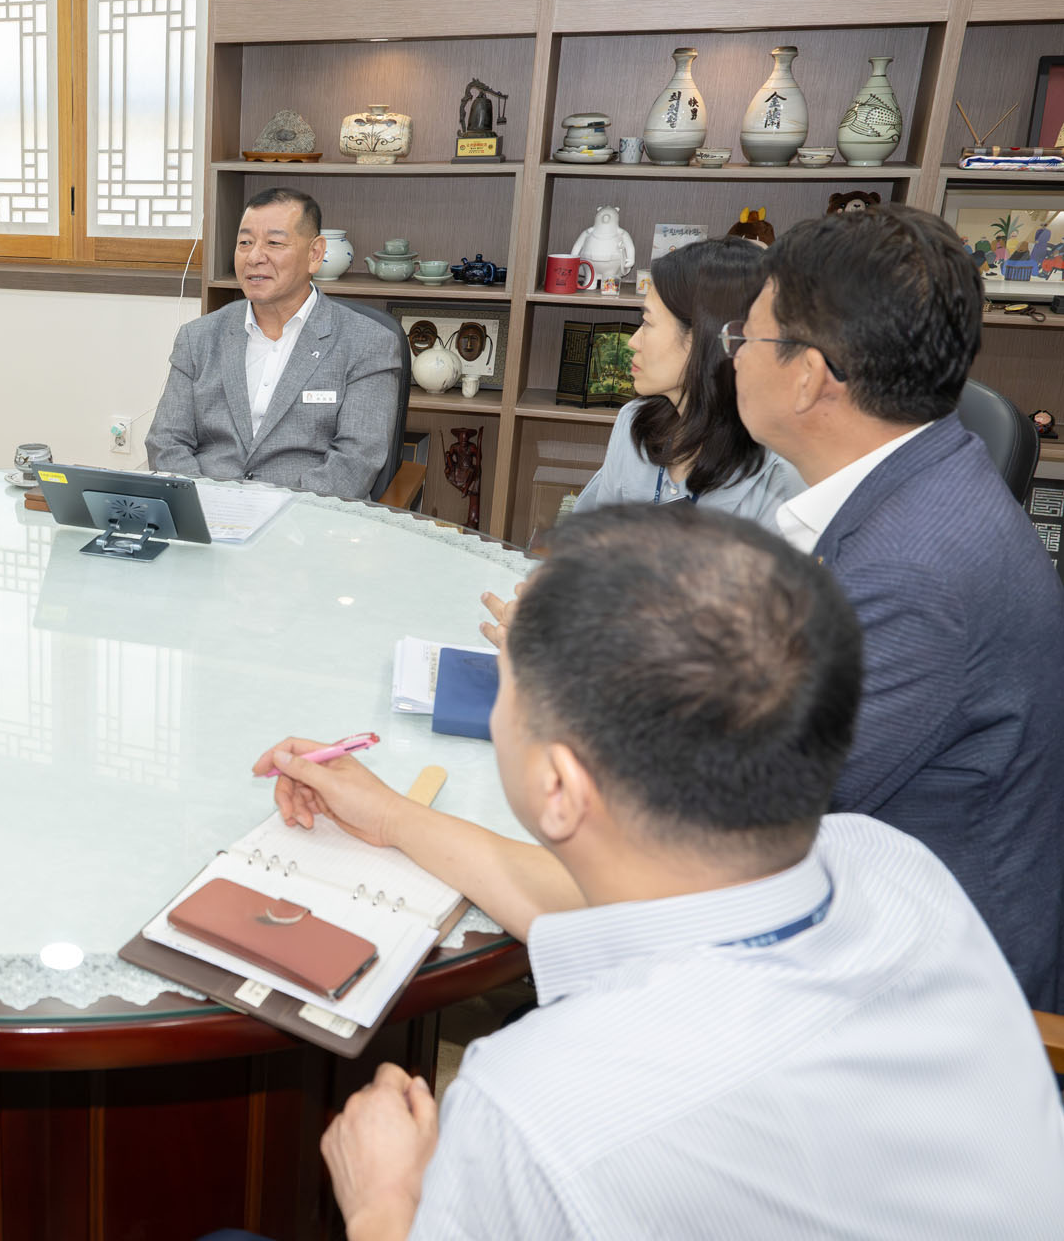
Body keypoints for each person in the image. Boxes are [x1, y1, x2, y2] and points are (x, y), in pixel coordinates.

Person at [258, 507, 1064, 1241]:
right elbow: (598, 912)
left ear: (558, 788)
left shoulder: (535, 1108)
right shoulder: (890, 865)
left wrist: (383, 1203)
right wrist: (392, 818)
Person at [728, 203, 1064, 1012]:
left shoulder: (913, 570)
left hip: (921, 1002)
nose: (732, 357)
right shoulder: (930, 475)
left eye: (746, 338)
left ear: (808, 376)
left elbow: (740, 822)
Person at [146, 187, 404, 500]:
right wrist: (204, 506)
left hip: (308, 517)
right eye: (245, 243)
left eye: (274, 243)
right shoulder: (198, 337)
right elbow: (166, 443)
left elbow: (355, 463)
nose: (255, 257)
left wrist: (280, 517)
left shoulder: (367, 343)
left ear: (315, 254)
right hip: (208, 510)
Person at [571, 237, 800, 524]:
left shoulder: (778, 471)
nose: (633, 341)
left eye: (648, 322)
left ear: (702, 337)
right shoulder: (635, 423)